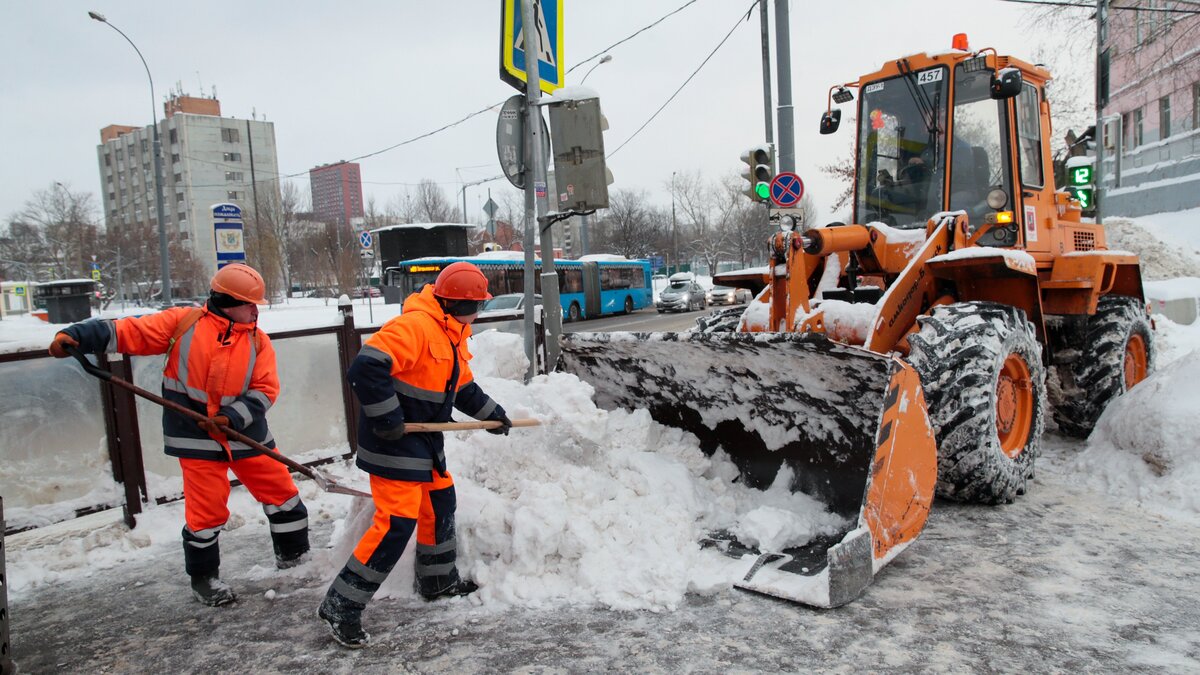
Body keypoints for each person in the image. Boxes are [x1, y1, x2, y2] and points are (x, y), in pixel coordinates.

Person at [48, 263, 309, 607]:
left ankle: (295, 562)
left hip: (246, 435)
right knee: (206, 513)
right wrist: (79, 335)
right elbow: (129, 332)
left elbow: (265, 389)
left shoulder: (258, 342)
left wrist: (232, 416)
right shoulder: (182, 324)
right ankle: (204, 579)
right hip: (194, 437)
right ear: (227, 301)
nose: (255, 310)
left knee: (285, 496)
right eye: (250, 304)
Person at [318, 261, 512, 648]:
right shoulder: (415, 326)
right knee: (395, 524)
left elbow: (463, 388)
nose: (481, 311)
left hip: (424, 443)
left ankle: (437, 580)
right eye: (479, 305)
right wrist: (387, 417)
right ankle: (342, 603)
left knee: (441, 501)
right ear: (461, 304)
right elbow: (365, 368)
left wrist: (494, 415)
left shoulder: (452, 333)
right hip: (394, 443)